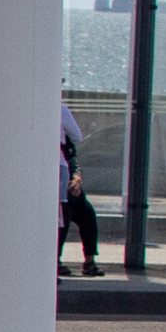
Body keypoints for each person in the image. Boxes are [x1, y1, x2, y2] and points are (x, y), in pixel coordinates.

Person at [60, 102, 102, 276]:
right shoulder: (60, 110)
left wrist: (76, 180)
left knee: (87, 213)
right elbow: (77, 136)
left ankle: (90, 260)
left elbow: (74, 161)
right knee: (64, 213)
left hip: (67, 179)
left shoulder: (65, 145)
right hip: (59, 180)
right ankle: (55, 260)